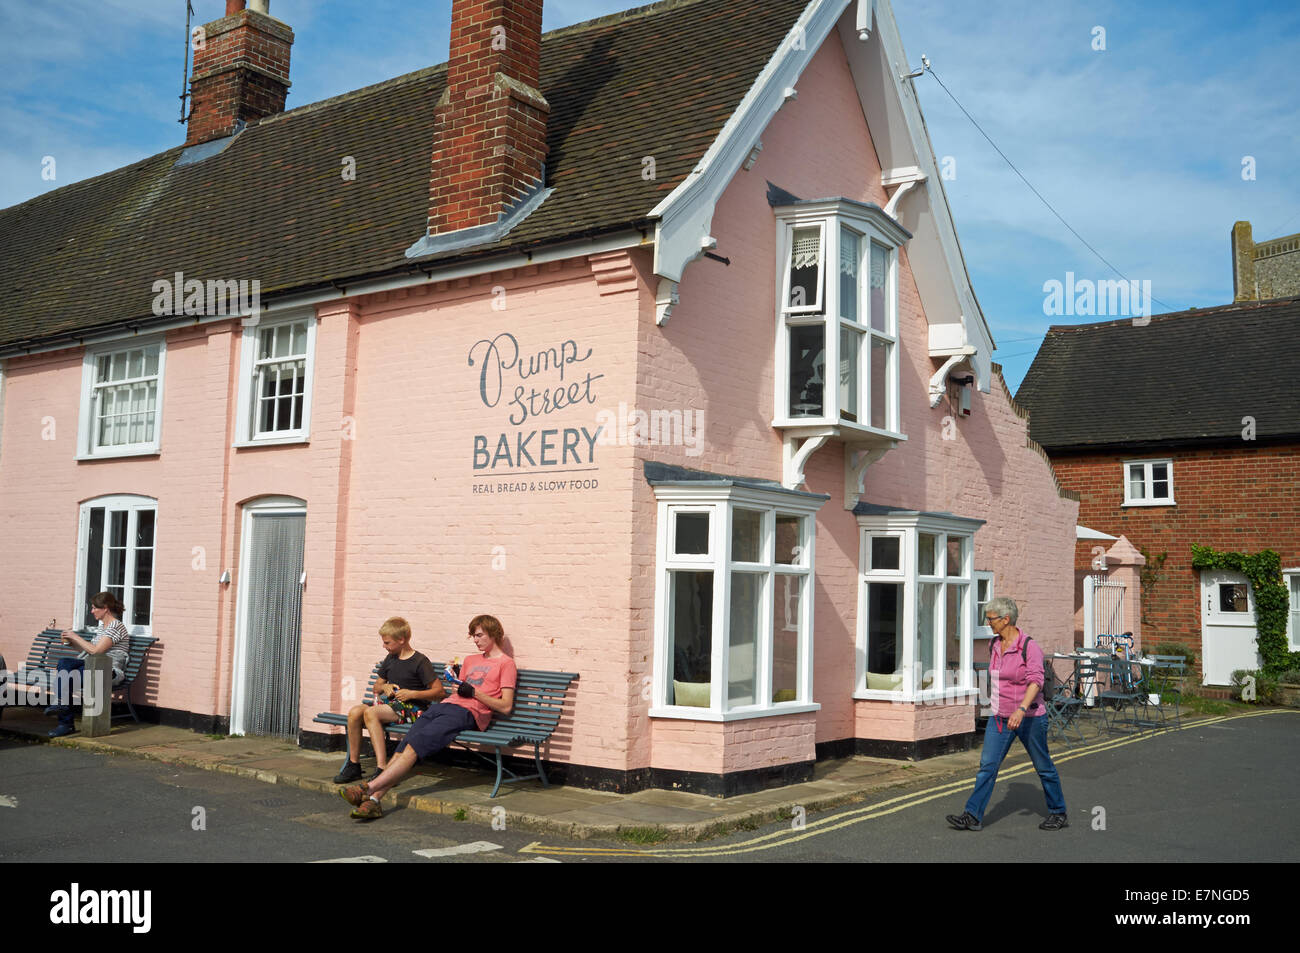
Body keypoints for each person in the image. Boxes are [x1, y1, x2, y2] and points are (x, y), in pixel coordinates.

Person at [340, 614, 516, 820]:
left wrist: (474, 692)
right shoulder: (470, 660)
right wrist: (455, 678)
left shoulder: (506, 664)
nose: (475, 640)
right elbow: (457, 691)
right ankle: (374, 801)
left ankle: (367, 788)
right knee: (405, 745)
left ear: (493, 634)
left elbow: (505, 706)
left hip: (469, 713)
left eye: (479, 635)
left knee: (417, 745)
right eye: (473, 636)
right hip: (446, 706)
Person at [946, 596, 1068, 831]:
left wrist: (1021, 709)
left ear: (1006, 619)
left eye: (991, 619)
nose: (988, 622)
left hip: (1030, 717)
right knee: (988, 766)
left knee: (1043, 766)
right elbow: (996, 680)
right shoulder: (994, 645)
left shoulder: (1028, 646)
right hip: (1000, 717)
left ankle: (1058, 812)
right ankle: (972, 815)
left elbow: (1036, 681)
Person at [334, 617, 440, 784]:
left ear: (402, 640)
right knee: (355, 712)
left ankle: (383, 769)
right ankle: (353, 765)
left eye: (387, 642)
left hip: (413, 708)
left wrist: (412, 694)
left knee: (370, 713)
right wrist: (385, 687)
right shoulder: (390, 659)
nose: (384, 646)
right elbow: (377, 686)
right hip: (391, 705)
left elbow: (439, 692)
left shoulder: (420, 661)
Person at [46, 592, 130, 738]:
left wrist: (75, 636)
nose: (91, 611)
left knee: (67, 677)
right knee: (64, 663)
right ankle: (62, 706)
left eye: (94, 608)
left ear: (105, 608)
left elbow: (97, 651)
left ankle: (65, 724)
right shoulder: (103, 627)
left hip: (108, 670)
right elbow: (89, 650)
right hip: (92, 664)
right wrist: (71, 642)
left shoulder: (116, 626)